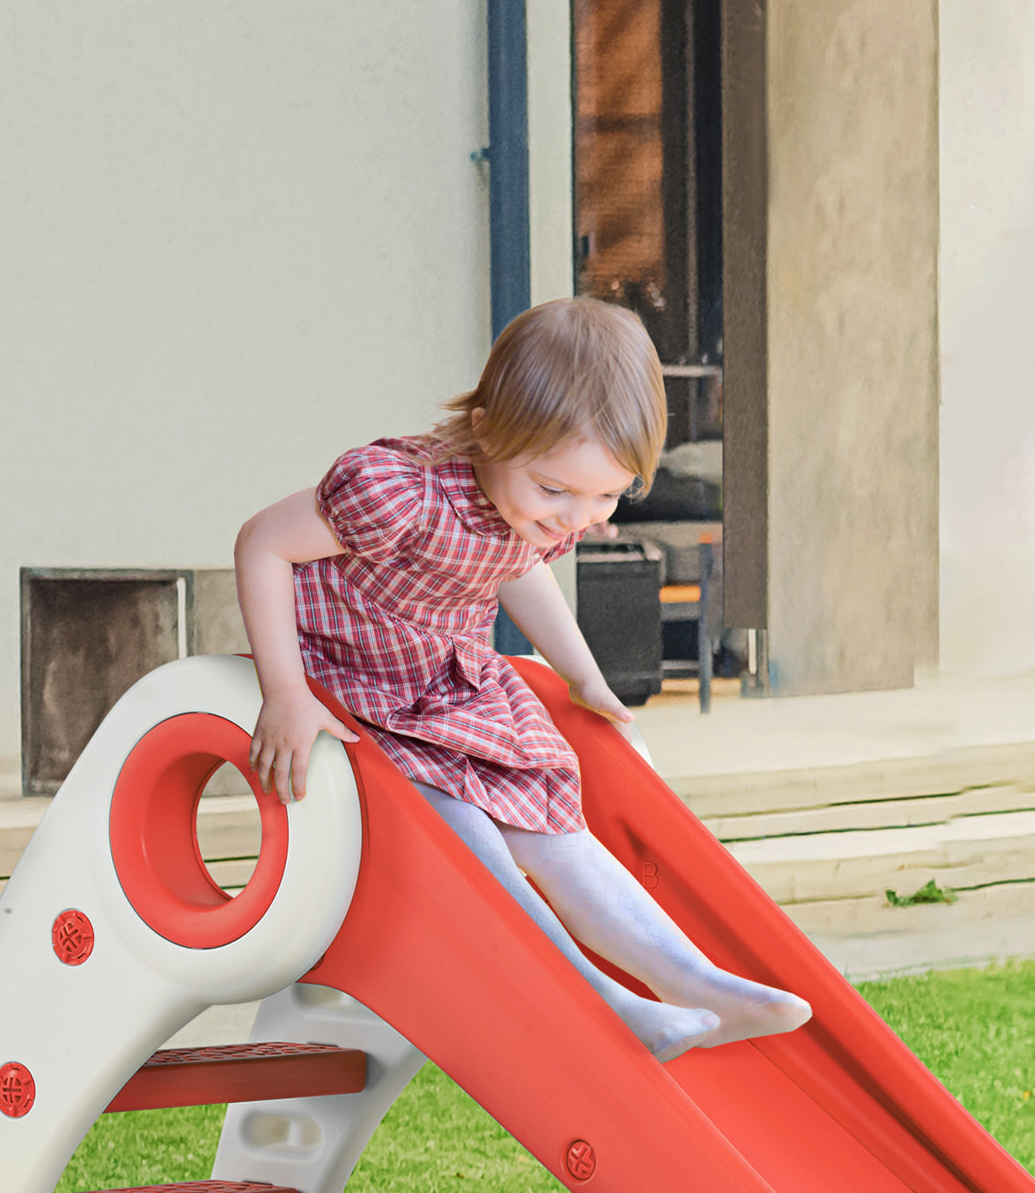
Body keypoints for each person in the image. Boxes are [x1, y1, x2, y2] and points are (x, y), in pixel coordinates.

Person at [233, 296, 811, 1065]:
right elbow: (262, 544)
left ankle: (693, 980)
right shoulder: (397, 494)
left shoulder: (535, 507)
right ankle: (602, 1004)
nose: (577, 517)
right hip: (355, 688)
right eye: (557, 491)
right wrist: (284, 692)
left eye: (607, 495)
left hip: (446, 693)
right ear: (487, 432)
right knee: (469, 831)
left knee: (553, 825)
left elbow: (521, 571)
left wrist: (585, 676)